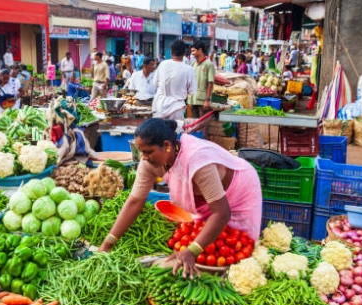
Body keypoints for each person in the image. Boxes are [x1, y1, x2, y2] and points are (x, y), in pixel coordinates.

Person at [98, 118, 262, 277]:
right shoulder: (149, 163)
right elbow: (135, 202)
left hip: (239, 189)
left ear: (167, 146)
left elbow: (221, 213)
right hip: (206, 198)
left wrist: (192, 250)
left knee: (238, 249)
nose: (144, 157)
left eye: (148, 152)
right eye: (141, 152)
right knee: (210, 245)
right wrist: (108, 243)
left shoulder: (196, 159)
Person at [152, 40, 197, 120]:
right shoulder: (189, 69)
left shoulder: (163, 64)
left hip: (160, 106)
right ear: (184, 53)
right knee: (175, 131)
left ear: (171, 52)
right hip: (177, 108)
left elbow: (155, 83)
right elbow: (192, 91)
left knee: (158, 131)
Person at [188, 41, 214, 118]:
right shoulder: (193, 64)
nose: (192, 53)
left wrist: (207, 100)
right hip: (193, 99)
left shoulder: (208, 64)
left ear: (200, 50)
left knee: (202, 123)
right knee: (194, 123)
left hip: (202, 100)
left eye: (193, 51)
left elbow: (210, 83)